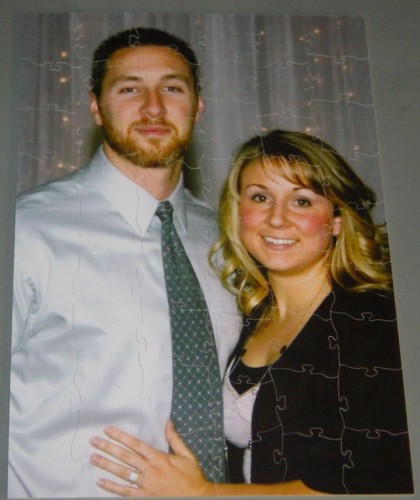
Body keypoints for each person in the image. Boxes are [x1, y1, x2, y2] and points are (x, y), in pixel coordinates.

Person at [89, 129, 413, 495]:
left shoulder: (373, 323)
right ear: (238, 210)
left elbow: (365, 482)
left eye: (301, 201)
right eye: (260, 197)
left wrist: (202, 493)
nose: (276, 219)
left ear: (336, 219)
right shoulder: (251, 313)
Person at [8, 27, 240, 498]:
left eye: (172, 88)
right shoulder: (24, 230)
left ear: (198, 106)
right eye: (129, 89)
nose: (153, 108)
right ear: (96, 106)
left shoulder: (228, 238)